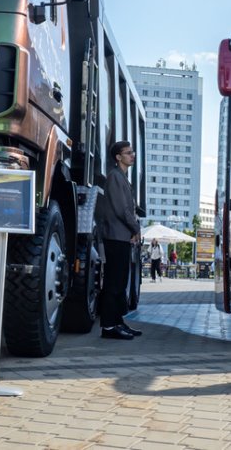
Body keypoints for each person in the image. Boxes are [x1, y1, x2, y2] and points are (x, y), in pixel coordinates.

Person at [96, 141, 142, 340]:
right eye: (128, 153)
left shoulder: (122, 177)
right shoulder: (115, 177)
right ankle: (108, 327)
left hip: (121, 237)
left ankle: (117, 322)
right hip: (115, 237)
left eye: (132, 152)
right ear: (118, 157)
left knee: (120, 282)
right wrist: (136, 228)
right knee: (113, 283)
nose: (132, 155)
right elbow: (122, 209)